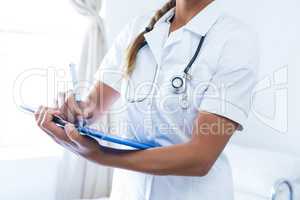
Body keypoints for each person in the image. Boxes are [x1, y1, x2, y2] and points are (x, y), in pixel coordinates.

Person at [35, 0, 258, 199]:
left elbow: (200, 157)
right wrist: (74, 112)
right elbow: (93, 107)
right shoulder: (139, 27)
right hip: (128, 191)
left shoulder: (234, 39)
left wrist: (101, 155)